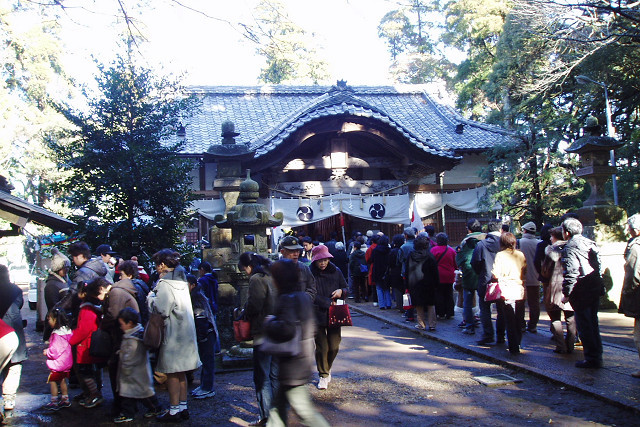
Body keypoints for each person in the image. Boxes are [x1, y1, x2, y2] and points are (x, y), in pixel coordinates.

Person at [263, 259, 329, 427]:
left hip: (292, 365)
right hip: (301, 359)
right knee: (277, 409)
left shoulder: (287, 299)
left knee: (304, 412)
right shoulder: (303, 297)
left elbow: (287, 329)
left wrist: (269, 322)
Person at [147, 249, 201, 421]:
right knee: (182, 373)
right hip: (186, 333)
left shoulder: (165, 284)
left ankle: (173, 410)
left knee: (171, 373)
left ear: (162, 265)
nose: (156, 268)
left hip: (173, 335)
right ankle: (183, 407)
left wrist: (150, 298)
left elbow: (161, 309)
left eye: (157, 265)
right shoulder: (182, 281)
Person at [238, 252, 276, 426]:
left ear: (249, 266)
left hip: (263, 331)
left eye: (244, 269)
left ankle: (266, 416)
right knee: (275, 374)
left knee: (262, 376)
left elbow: (255, 304)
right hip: (279, 329)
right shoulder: (273, 274)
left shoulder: (256, 279)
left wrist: (245, 312)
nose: (245, 273)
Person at [561, 217, 604, 369]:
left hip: (581, 289)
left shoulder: (570, 247)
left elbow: (571, 272)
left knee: (585, 325)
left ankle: (592, 358)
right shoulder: (590, 242)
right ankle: (597, 354)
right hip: (594, 286)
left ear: (566, 232)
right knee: (593, 323)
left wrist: (566, 293)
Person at [102, 260, 140, 416]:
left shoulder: (117, 292)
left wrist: (102, 324)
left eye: (121, 274)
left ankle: (126, 409)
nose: (118, 278)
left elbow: (114, 315)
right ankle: (135, 406)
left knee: (121, 373)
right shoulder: (135, 287)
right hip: (133, 336)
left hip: (123, 337)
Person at [113, 307, 163, 423]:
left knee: (138, 394)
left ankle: (130, 413)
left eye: (122, 324)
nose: (121, 327)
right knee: (139, 394)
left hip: (133, 373)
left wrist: (124, 363)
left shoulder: (132, 339)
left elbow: (130, 357)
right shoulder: (138, 334)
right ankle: (152, 408)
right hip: (137, 373)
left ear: (129, 323)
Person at [69, 278, 110, 409]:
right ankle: (92, 393)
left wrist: (71, 341)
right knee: (93, 372)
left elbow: (84, 330)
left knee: (86, 373)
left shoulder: (86, 310)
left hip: (85, 347)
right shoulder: (94, 308)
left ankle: (94, 394)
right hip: (91, 345)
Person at [310, 245, 347, 390]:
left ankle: (327, 367)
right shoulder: (310, 273)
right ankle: (323, 375)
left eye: (325, 260)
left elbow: (346, 288)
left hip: (335, 313)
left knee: (334, 345)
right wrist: (326, 302)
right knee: (321, 347)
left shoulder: (336, 271)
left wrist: (341, 291)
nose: (323, 263)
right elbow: (308, 292)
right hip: (316, 313)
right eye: (320, 261)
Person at [542, 227, 576, 354]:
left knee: (555, 316)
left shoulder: (552, 251)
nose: (550, 238)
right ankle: (571, 344)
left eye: (552, 236)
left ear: (557, 237)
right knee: (571, 317)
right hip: (571, 284)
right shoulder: (573, 248)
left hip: (556, 286)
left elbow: (545, 271)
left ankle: (561, 345)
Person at [491, 233, 527, 355]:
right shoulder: (520, 254)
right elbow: (524, 270)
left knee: (509, 318)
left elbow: (495, 273)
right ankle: (518, 342)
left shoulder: (500, 255)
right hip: (519, 288)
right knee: (519, 317)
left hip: (505, 289)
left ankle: (513, 346)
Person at [471, 220, 505, 345]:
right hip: (503, 280)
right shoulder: (505, 243)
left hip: (485, 280)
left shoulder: (481, 245)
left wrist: (481, 273)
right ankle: (501, 336)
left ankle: (488, 334)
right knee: (502, 309)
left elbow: (475, 262)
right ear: (500, 229)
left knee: (485, 309)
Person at [185, 275, 218, 401]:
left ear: (192, 285)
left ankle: (208, 388)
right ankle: (204, 385)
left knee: (208, 361)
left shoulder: (197, 298)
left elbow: (201, 318)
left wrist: (202, 336)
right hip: (205, 333)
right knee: (205, 360)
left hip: (206, 333)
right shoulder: (196, 296)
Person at [0, 265, 27, 413]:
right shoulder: (15, 290)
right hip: (14, 332)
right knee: (14, 366)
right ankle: (9, 399)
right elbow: (20, 304)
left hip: (1, 331)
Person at [619, 213, 640, 377]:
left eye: (629, 227)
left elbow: (633, 274)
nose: (627, 230)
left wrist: (628, 292)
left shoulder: (636, 246)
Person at [456, 219, 485, 334]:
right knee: (484, 300)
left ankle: (469, 325)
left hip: (469, 271)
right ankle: (486, 326)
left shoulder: (465, 241)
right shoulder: (486, 239)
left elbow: (460, 258)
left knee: (467, 300)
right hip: (483, 271)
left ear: (469, 229)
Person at [406, 235, 440, 331]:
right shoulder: (430, 256)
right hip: (429, 283)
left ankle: (421, 324)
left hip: (415, 283)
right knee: (431, 304)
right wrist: (436, 283)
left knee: (418, 304)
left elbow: (407, 271)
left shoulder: (411, 255)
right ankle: (432, 324)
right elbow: (435, 271)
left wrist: (407, 284)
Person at [43, 309, 73, 411]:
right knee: (63, 381)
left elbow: (55, 351)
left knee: (53, 381)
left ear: (55, 320)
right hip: (66, 362)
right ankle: (65, 399)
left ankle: (54, 401)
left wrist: (47, 351)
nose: (48, 321)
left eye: (49, 319)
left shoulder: (57, 335)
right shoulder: (67, 331)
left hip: (58, 363)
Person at [278, 236, 317, 302]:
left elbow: (312, 289)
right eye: (292, 251)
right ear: (282, 251)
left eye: (297, 251)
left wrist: (302, 300)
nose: (296, 254)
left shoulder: (304, 268)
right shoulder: (276, 269)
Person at [519, 222, 542, 333]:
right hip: (536, 277)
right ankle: (533, 325)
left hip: (521, 278)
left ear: (525, 231)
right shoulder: (539, 243)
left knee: (520, 302)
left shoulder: (520, 242)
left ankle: (521, 324)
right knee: (534, 303)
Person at [431, 233, 457, 319]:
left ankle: (440, 313)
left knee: (439, 294)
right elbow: (455, 263)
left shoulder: (434, 250)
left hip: (438, 275)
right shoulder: (451, 250)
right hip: (449, 275)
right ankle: (450, 312)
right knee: (449, 294)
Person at [398, 227, 417, 322]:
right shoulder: (418, 245)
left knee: (407, 293)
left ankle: (409, 314)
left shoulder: (403, 247)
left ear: (406, 236)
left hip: (406, 272)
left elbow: (400, 260)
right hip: (419, 271)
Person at [44, 248, 72, 312]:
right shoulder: (51, 285)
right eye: (64, 268)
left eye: (68, 267)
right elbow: (53, 308)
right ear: (57, 268)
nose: (67, 270)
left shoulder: (67, 280)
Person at [371, 235, 392, 310]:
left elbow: (371, 260)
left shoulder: (375, 250)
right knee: (386, 288)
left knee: (379, 288)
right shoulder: (389, 250)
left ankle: (382, 305)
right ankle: (388, 304)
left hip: (377, 270)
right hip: (386, 271)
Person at [388, 235, 406, 312]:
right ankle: (406, 305)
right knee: (405, 289)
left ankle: (400, 306)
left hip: (395, 271)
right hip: (404, 271)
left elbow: (390, 262)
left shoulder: (393, 251)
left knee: (398, 290)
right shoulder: (404, 249)